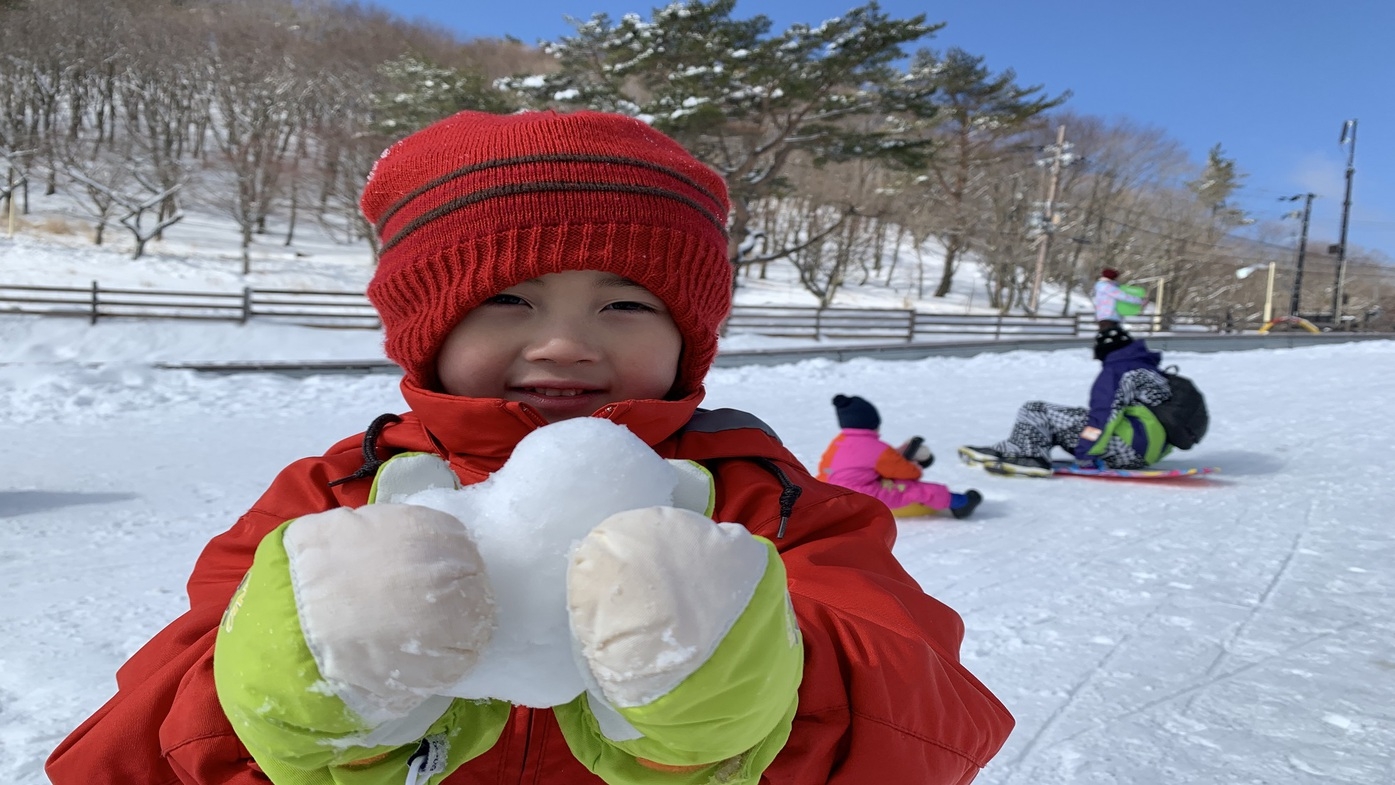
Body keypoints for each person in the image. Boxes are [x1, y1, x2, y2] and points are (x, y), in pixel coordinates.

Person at [47, 109, 1013, 785]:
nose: (565, 343)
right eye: (506, 300)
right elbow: (126, 748)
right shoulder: (337, 494)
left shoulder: (761, 500)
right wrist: (293, 697)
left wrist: (745, 693)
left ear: (690, 334)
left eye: (626, 303)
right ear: (427, 328)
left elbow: (930, 724)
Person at [959, 326, 1172, 477]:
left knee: (1035, 410)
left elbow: (1104, 416)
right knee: (1071, 418)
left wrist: (1087, 452)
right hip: (1149, 452)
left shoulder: (1116, 370)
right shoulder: (1150, 370)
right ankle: (1013, 448)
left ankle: (1030, 457)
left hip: (1126, 450)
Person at [817, 394, 982, 519]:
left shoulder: (838, 442)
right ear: (873, 423)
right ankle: (961, 504)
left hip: (827, 492)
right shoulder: (878, 448)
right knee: (913, 489)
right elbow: (909, 474)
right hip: (859, 496)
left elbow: (860, 463)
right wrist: (914, 467)